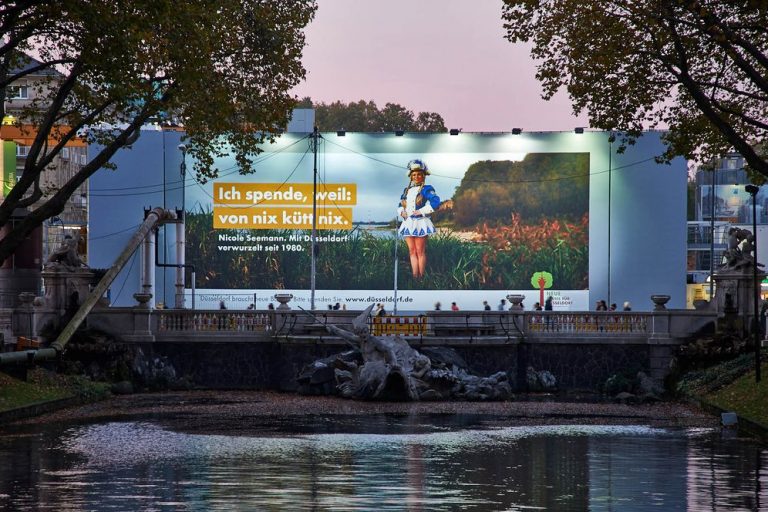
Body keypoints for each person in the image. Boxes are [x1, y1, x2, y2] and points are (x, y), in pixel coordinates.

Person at [397, 159, 443, 279]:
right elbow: (400, 205)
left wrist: (421, 211)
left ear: (423, 176)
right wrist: (401, 212)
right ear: (411, 177)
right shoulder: (406, 191)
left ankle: (421, 278)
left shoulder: (427, 189)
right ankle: (414, 277)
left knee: (420, 251)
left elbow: (436, 201)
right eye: (414, 175)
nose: (416, 177)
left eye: (419, 175)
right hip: (408, 223)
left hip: (421, 222)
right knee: (412, 251)